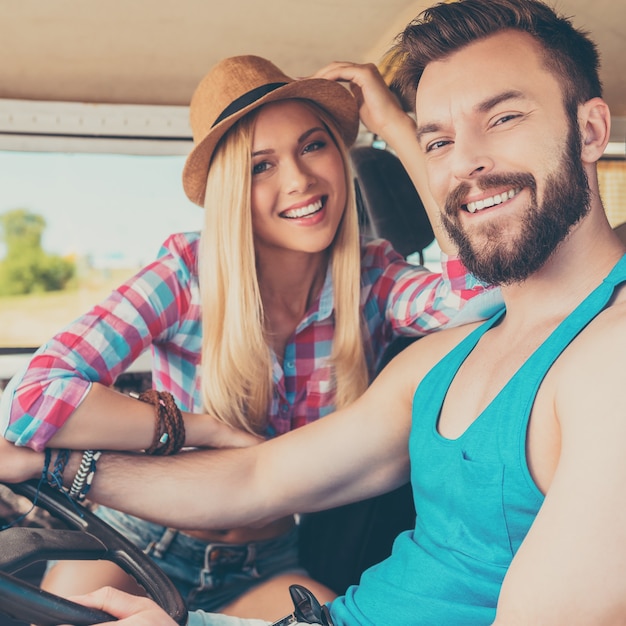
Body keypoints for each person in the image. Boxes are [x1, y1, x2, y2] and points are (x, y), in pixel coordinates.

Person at [0, 54, 501, 620]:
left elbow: (484, 294)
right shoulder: (187, 273)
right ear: (230, 189)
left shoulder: (374, 279)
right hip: (135, 542)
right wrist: (203, 429)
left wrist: (396, 130)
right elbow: (28, 400)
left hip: (265, 560)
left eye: (314, 146)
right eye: (261, 165)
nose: (299, 179)